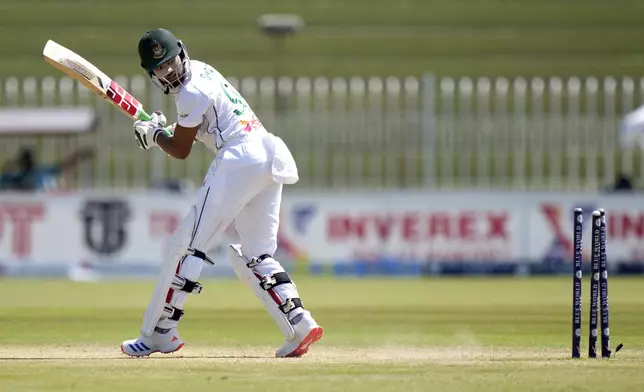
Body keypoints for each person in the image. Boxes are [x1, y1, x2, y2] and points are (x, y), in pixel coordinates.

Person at [121, 28, 323, 358]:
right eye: (160, 68)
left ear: (181, 53)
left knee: (185, 246)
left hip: (239, 159)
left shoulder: (189, 93)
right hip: (266, 153)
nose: (169, 70)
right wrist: (162, 129)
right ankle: (300, 323)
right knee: (253, 253)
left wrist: (155, 136)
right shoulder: (202, 70)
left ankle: (161, 332)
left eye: (170, 62)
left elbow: (181, 149)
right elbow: (199, 127)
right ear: (152, 73)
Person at [0, 147, 94, 191]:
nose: (27, 162)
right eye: (24, 159)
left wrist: (79, 155)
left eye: (28, 159)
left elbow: (64, 165)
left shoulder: (40, 171)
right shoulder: (16, 177)